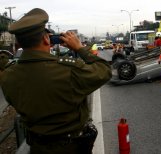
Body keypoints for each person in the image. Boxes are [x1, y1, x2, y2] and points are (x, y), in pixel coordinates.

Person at [0, 8, 112, 154]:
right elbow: (104, 70)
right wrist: (79, 48)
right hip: (72, 147)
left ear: (19, 43)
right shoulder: (68, 70)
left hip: (37, 147)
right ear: (47, 39)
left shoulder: (8, 75)